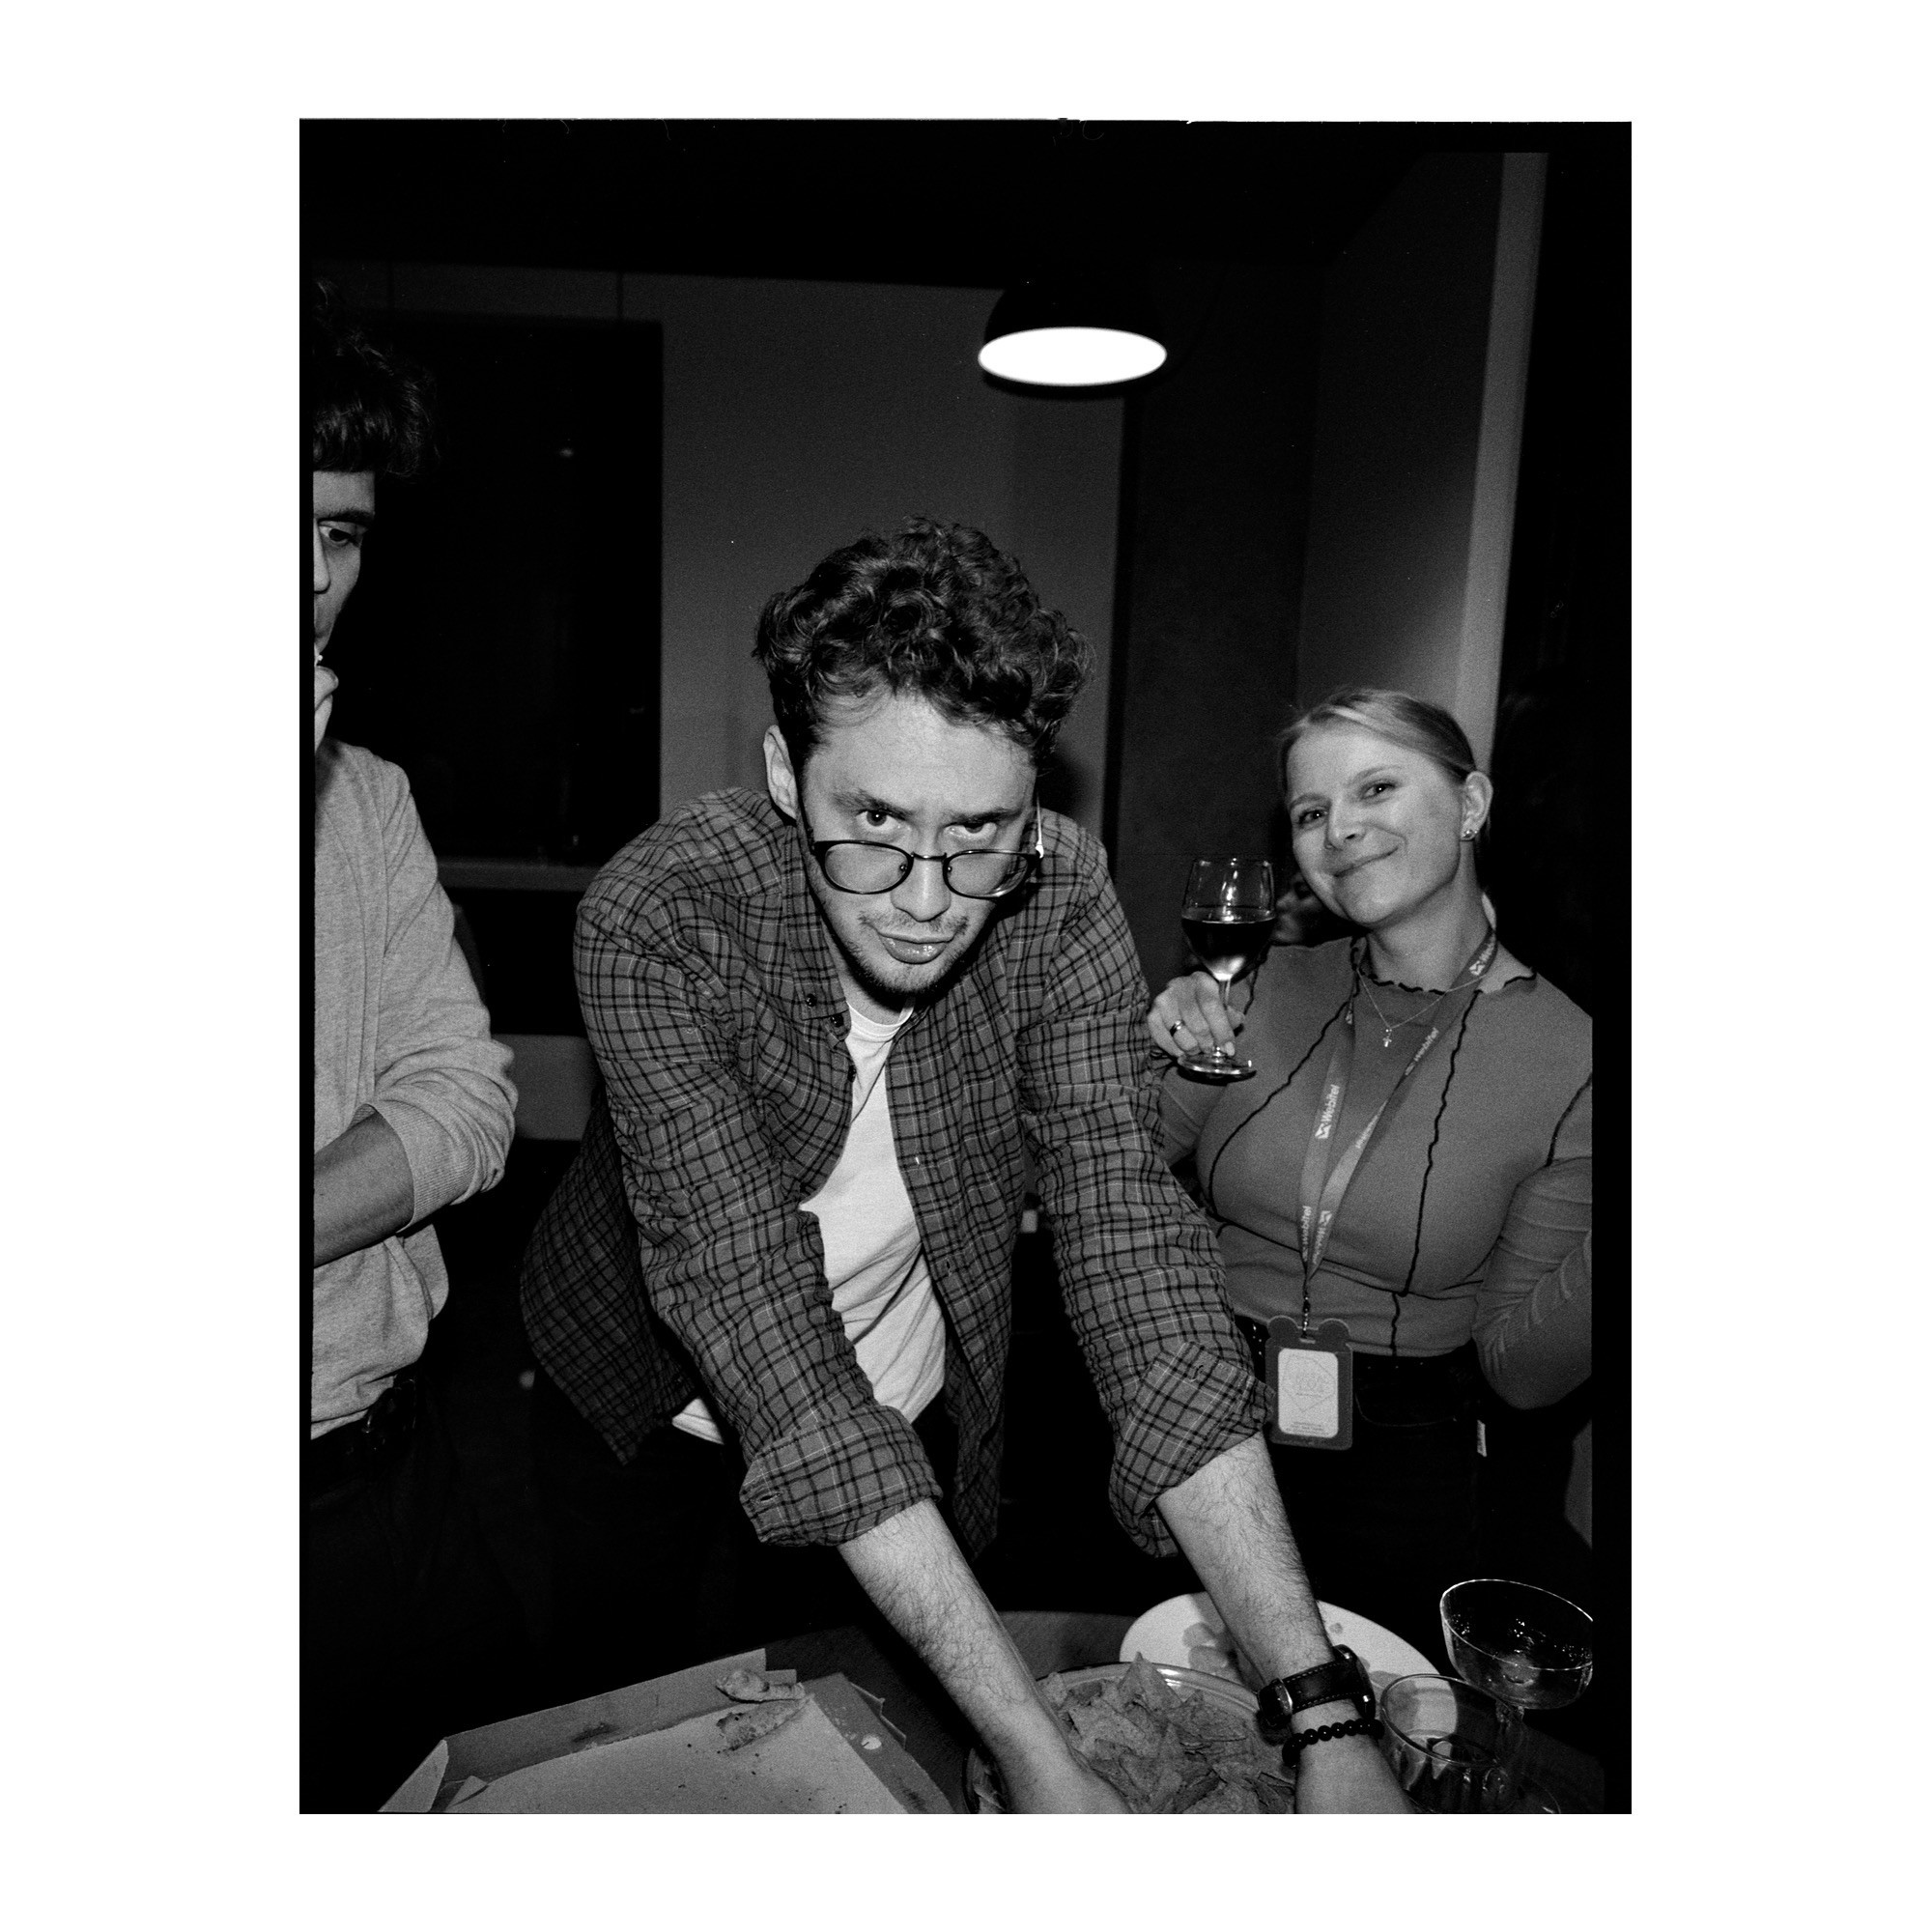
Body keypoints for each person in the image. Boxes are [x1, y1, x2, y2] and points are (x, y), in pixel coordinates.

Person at [521, 520, 1408, 1811]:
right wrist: (1046, 1767)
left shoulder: (1060, 889)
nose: (927, 898)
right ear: (783, 773)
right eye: (873, 819)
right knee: (633, 1758)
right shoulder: (662, 912)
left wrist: (1321, 1709)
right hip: (636, 1407)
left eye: (980, 831)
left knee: (872, 1750)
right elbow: (757, 1311)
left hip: (904, 1400)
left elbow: (1132, 1251)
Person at [1150, 687, 1592, 1666]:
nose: (1340, 828)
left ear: (1471, 802)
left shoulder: (1574, 1058)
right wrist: (1163, 1041)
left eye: (1376, 788)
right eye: (1310, 811)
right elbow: (1113, 1162)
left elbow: (1521, 1373)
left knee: (1368, 1712)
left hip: (1398, 1457)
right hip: (1203, 1401)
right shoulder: (1264, 980)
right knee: (1181, 1690)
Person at [306, 293, 529, 1810]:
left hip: (386, 1462)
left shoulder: (365, 797)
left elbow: (464, 1104)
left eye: (338, 534)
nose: (308, 582)